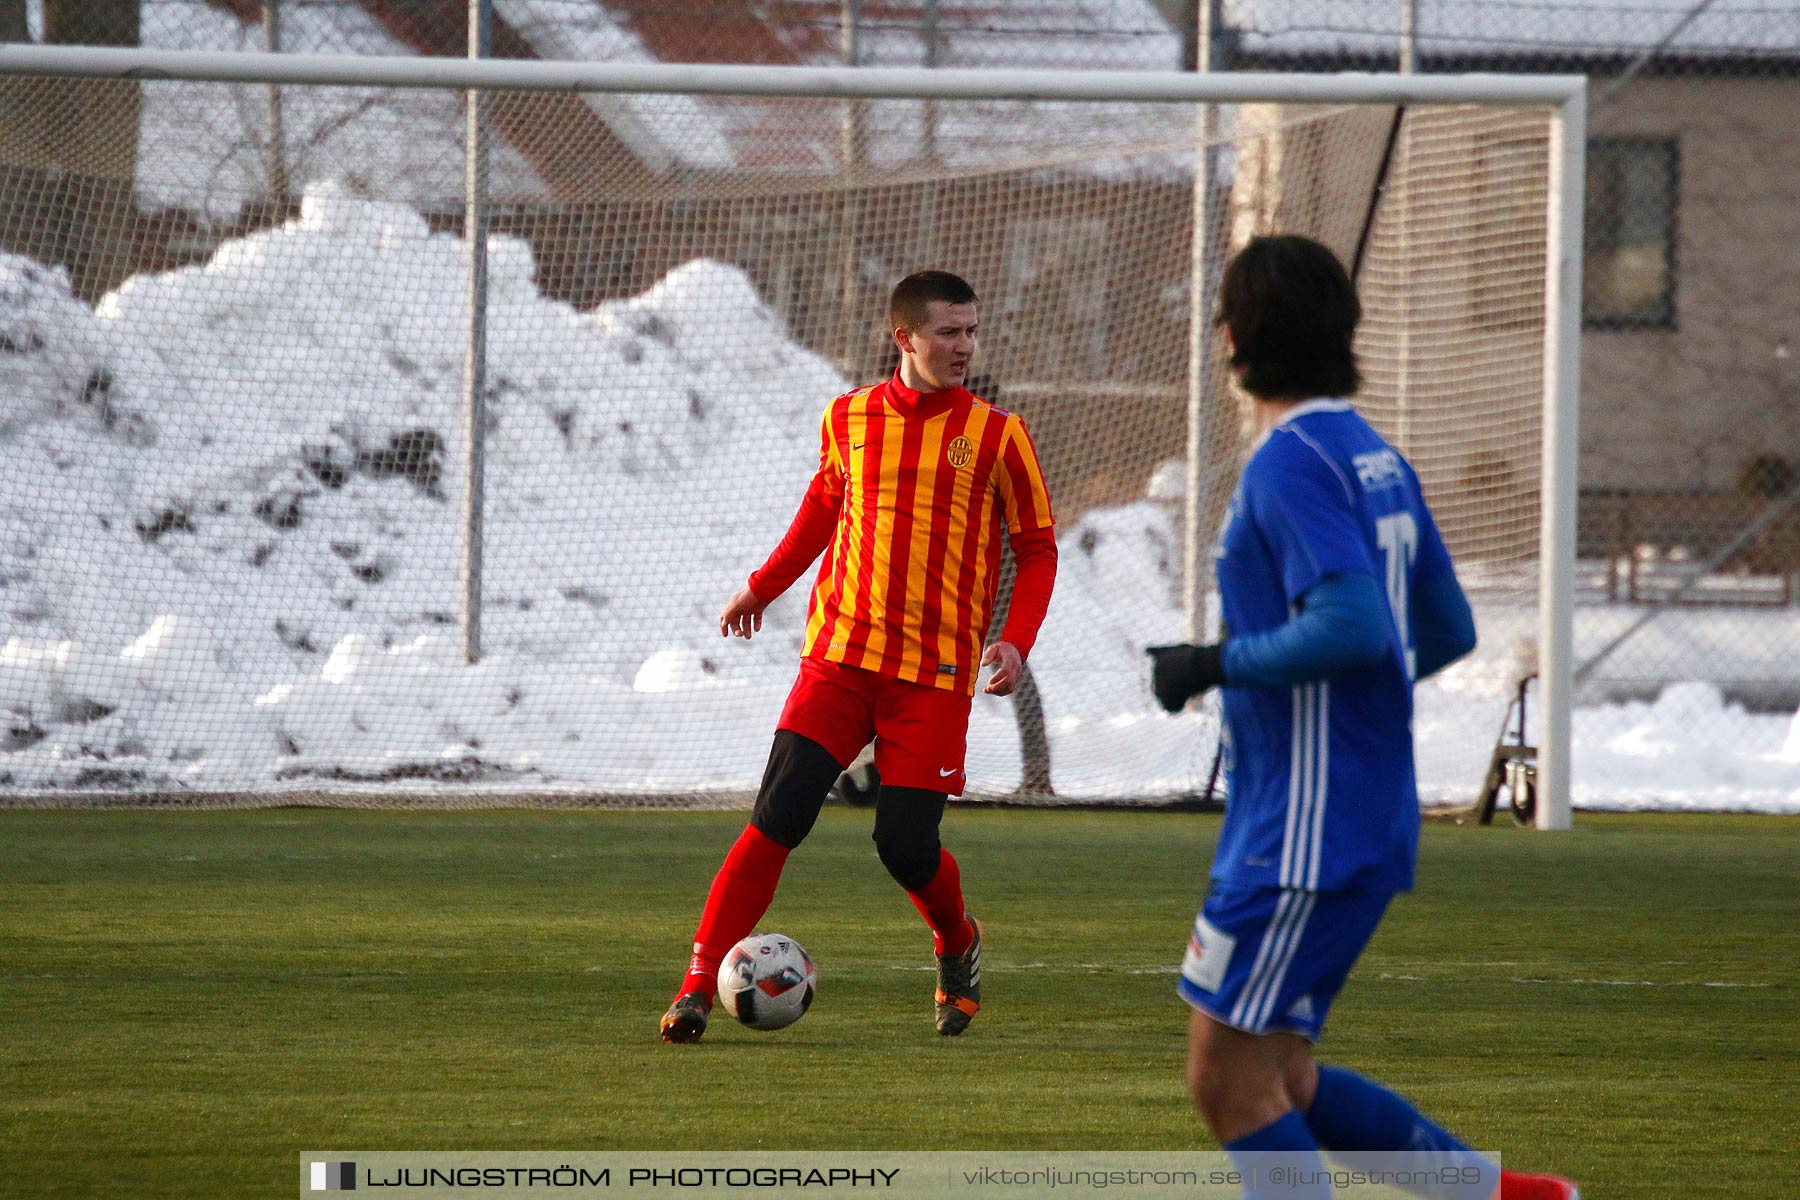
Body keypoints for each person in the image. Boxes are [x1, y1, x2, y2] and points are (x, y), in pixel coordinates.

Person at [1147, 235, 1578, 1200]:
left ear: (1237, 334)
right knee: (1283, 1076)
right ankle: (1508, 1196)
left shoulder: (1288, 462)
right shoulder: (1371, 453)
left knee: (1228, 1082)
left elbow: (1350, 624)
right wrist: (1352, 704)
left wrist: (1215, 665)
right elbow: (1445, 626)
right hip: (1348, 815)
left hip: (1302, 832)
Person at [660, 269, 1058, 1044]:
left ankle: (956, 940)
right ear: (904, 337)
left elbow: (1036, 549)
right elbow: (822, 507)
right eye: (949, 332)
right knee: (777, 817)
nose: (964, 347)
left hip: (935, 676)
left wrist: (1014, 637)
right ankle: (697, 987)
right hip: (839, 657)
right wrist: (761, 588)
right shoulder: (848, 418)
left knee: (905, 846)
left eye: (971, 332)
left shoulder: (998, 434)